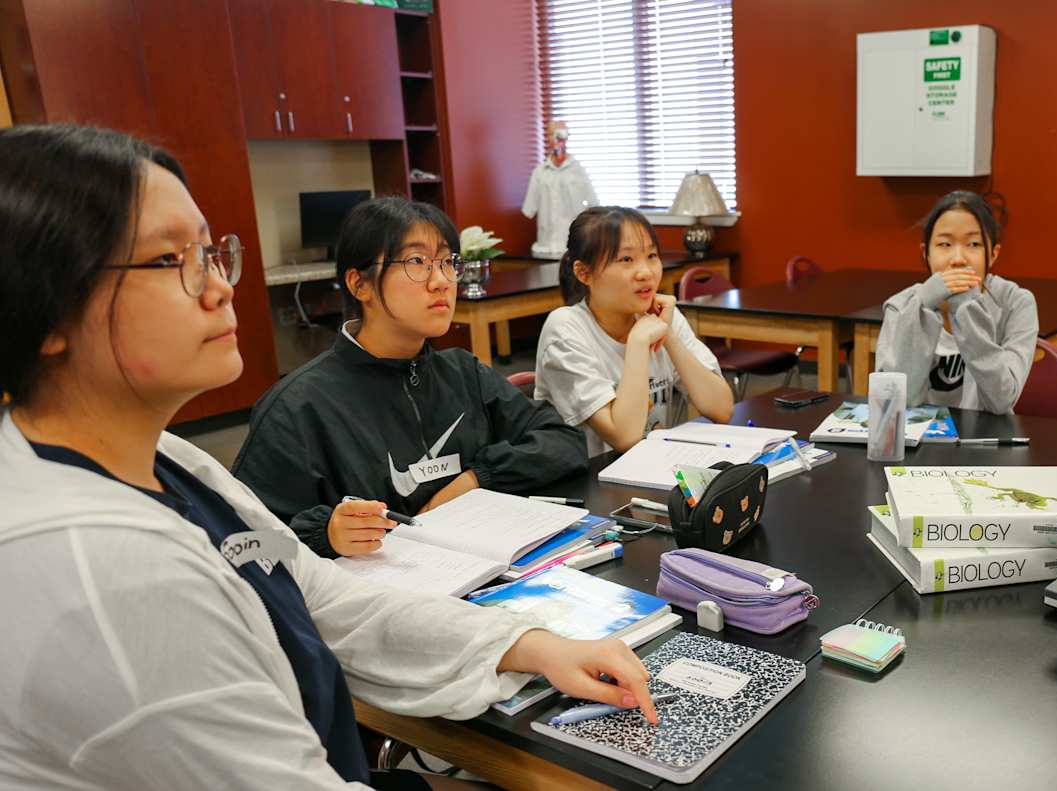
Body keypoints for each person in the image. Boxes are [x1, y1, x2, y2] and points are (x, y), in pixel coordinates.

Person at [0, 124, 654, 790]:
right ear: (47, 308)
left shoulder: (168, 459)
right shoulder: (107, 582)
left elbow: (323, 596)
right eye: (174, 260)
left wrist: (529, 644)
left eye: (212, 252)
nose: (221, 287)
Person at [232, 197, 587, 559]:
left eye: (447, 262)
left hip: (484, 572)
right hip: (375, 598)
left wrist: (476, 479)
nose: (442, 281)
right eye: (417, 262)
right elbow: (240, 543)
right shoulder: (296, 407)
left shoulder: (463, 373)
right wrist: (325, 535)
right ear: (360, 285)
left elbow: (565, 442)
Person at [535, 206, 733, 456]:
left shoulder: (661, 315)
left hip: (650, 469)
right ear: (584, 273)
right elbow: (624, 437)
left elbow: (721, 408)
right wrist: (638, 341)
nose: (646, 272)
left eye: (652, 256)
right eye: (626, 260)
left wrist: (668, 334)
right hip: (587, 483)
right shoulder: (565, 330)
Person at [874, 190, 1037, 414]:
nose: (958, 259)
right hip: (920, 440)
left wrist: (967, 308)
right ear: (926, 254)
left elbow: (1001, 400)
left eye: (973, 244)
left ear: (993, 254)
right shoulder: (901, 306)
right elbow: (894, 402)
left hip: (986, 440)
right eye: (944, 245)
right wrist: (922, 307)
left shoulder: (1016, 304)